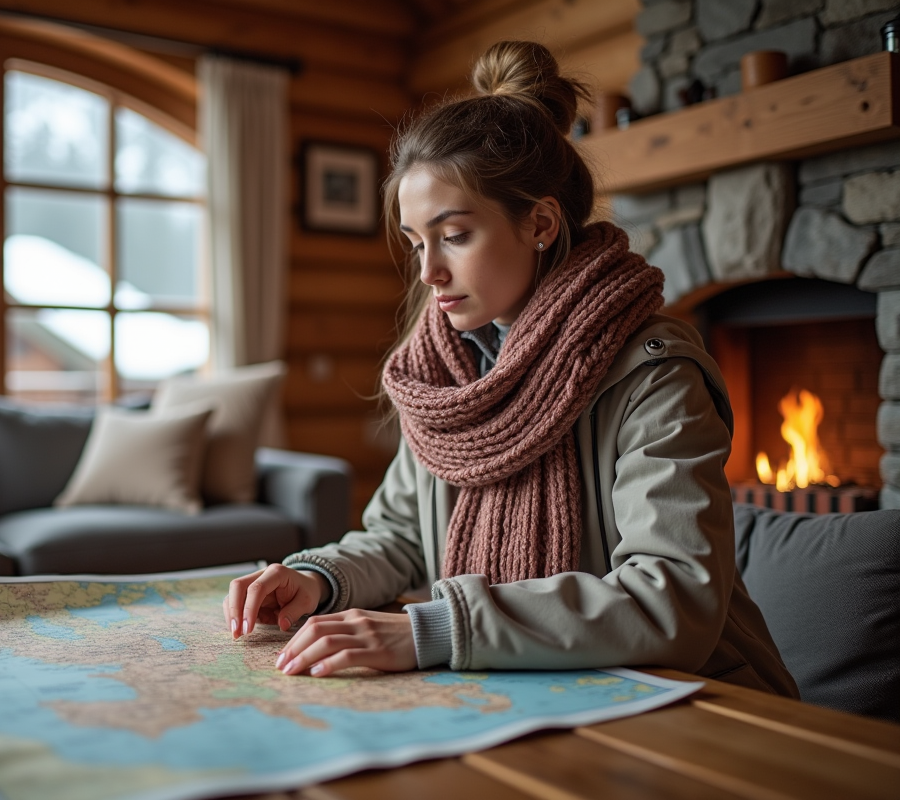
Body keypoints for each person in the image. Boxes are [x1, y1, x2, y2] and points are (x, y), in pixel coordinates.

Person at [225, 41, 798, 696]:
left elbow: (671, 599)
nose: (429, 271)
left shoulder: (653, 373)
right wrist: (319, 577)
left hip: (698, 703)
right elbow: (399, 536)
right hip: (521, 693)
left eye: (456, 235)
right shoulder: (444, 376)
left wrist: (432, 630)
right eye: (417, 242)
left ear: (541, 224)